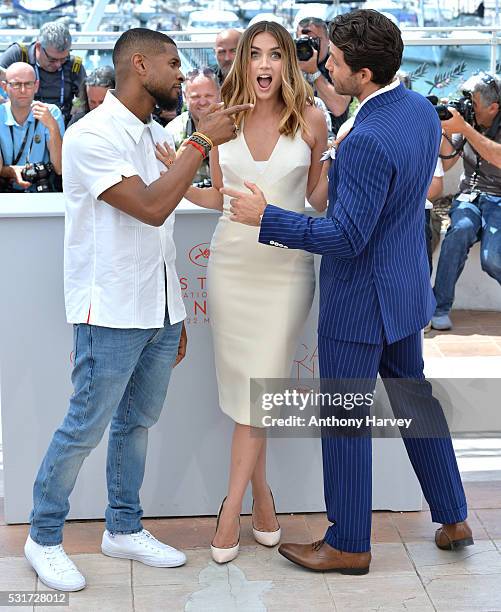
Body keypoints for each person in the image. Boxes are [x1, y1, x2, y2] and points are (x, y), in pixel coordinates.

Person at [228, 9, 472, 574]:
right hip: (405, 287)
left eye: (333, 61)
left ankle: (348, 543)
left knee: (344, 420)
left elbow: (345, 235)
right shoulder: (415, 110)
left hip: (358, 301)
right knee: (416, 404)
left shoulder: (366, 139)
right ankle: (453, 513)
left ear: (362, 73)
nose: (325, 64)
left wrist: (268, 217)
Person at [23, 27, 251, 593]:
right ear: (141, 65)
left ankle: (123, 528)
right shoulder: (89, 135)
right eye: (173, 65)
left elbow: (163, 228)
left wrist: (172, 311)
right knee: (84, 427)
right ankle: (43, 537)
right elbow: (149, 208)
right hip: (109, 311)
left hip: (155, 307)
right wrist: (202, 141)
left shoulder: (152, 134)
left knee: (138, 424)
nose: (181, 75)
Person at [158, 20, 328, 564]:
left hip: (286, 272)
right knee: (244, 397)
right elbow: (220, 199)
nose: (263, 65)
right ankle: (261, 498)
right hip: (231, 266)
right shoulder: (219, 123)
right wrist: (181, 178)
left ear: (287, 63)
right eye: (254, 54)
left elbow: (317, 201)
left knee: (260, 395)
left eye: (275, 55)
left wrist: (351, 166)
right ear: (241, 62)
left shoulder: (312, 121)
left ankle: (228, 511)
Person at [431, 73, 501, 331]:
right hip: (469, 196)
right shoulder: (469, 120)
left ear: (494, 107)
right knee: (458, 231)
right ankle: (439, 308)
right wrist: (441, 129)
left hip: (499, 200)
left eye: (474, 101)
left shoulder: (471, 126)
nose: (469, 105)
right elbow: (447, 161)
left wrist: (465, 130)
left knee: (492, 258)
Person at [0, 21, 86, 126]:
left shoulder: (74, 66)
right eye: (52, 60)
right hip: (21, 123)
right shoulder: (19, 55)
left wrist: (78, 104)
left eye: (63, 59)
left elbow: (86, 96)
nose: (58, 64)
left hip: (60, 123)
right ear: (38, 46)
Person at [0, 62, 63, 192]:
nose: (23, 90)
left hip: (41, 193)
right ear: (4, 87)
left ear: (36, 86)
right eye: (16, 84)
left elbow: (60, 167)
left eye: (28, 84)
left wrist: (53, 127)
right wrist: (11, 171)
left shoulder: (51, 112)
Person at [295, 16, 351, 135]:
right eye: (302, 41)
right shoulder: (288, 67)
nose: (307, 46)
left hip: (332, 142)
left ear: (328, 40)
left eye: (314, 40)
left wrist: (314, 73)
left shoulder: (341, 64)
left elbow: (339, 107)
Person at [165, 67, 220, 186]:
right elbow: (163, 173)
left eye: (208, 95)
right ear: (185, 97)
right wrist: (174, 164)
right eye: (195, 97)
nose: (202, 102)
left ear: (219, 94)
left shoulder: (235, 128)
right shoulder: (171, 132)